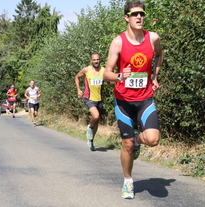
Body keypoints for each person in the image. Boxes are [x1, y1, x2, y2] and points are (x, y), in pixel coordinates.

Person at [103, 1, 163, 199]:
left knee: (153, 140)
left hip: (145, 98)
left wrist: (155, 76)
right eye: (134, 14)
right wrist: (120, 76)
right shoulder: (118, 42)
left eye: (141, 14)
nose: (139, 17)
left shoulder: (152, 38)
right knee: (126, 145)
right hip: (123, 101)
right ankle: (128, 180)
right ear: (126, 18)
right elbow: (106, 74)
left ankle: (138, 141)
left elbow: (160, 55)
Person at [75, 53, 105, 151]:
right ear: (91, 60)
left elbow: (110, 81)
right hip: (89, 98)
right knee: (96, 116)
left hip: (100, 98)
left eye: (98, 59)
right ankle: (90, 126)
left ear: (100, 60)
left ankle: (91, 140)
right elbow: (77, 77)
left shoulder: (104, 70)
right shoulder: (86, 70)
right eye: (94, 60)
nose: (96, 61)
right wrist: (79, 89)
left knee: (96, 122)